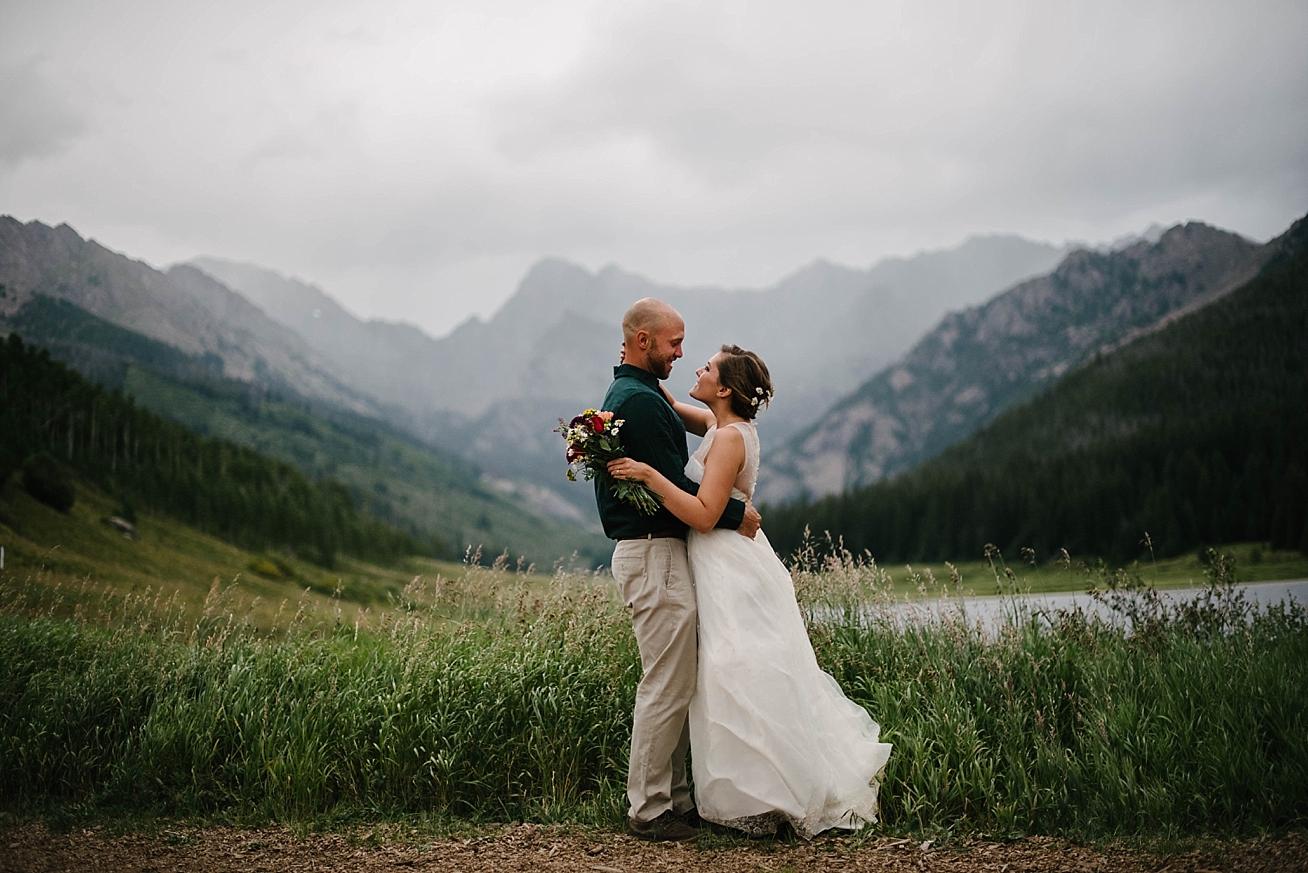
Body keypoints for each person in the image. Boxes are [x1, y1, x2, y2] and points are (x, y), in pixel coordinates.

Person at [608, 344, 893, 838]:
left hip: (726, 566)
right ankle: (749, 790)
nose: (696, 366)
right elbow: (688, 415)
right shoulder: (724, 425)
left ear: (724, 389)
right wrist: (649, 383)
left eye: (707, 367)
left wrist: (650, 474)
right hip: (724, 559)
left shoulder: (728, 440)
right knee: (731, 671)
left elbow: (702, 513)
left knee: (738, 669)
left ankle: (764, 795)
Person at [598, 298, 762, 843]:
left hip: (663, 554)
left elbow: (701, 433)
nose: (682, 352)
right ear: (643, 340)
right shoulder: (638, 402)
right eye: (674, 343)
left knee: (680, 679)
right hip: (653, 552)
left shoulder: (641, 395)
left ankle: (679, 799)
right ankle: (648, 809)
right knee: (667, 683)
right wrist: (739, 513)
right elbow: (683, 488)